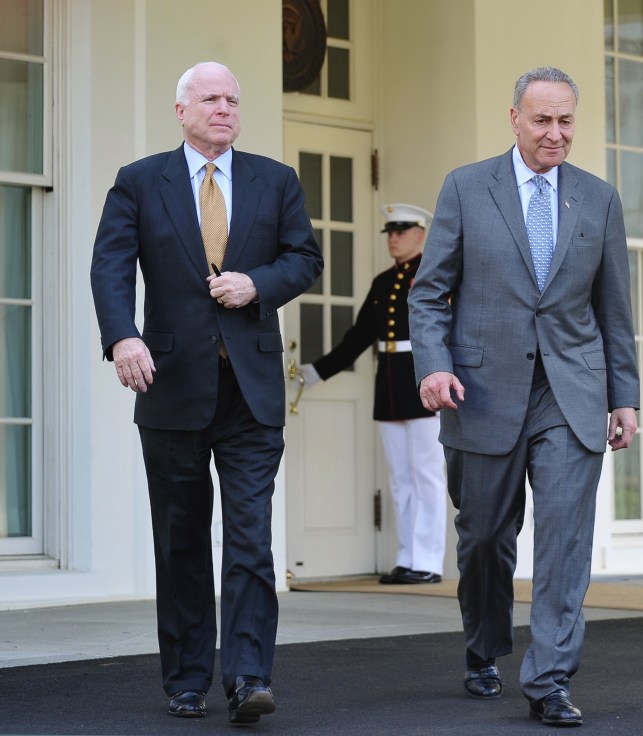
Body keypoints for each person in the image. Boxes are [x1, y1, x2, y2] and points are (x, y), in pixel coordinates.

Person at [90, 61, 323, 724]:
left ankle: (249, 676)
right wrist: (121, 338)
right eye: (211, 99)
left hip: (250, 392)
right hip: (169, 387)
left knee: (250, 539)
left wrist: (259, 285)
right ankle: (187, 677)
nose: (224, 109)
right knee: (182, 539)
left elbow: (305, 258)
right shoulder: (140, 182)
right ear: (181, 110)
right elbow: (109, 264)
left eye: (232, 99)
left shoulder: (274, 181)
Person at [408, 66, 639, 728]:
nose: (555, 133)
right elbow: (429, 292)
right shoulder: (465, 187)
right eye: (542, 120)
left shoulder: (599, 200)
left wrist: (624, 395)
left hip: (570, 391)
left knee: (566, 537)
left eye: (566, 120)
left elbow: (614, 309)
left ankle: (550, 679)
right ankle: (483, 648)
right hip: (480, 390)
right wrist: (433, 365)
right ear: (514, 119)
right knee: (484, 535)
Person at [299, 203, 447, 585]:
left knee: (426, 476)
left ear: (420, 234)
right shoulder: (384, 282)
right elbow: (361, 335)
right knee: (400, 478)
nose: (394, 238)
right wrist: (317, 372)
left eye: (401, 231)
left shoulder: (437, 275)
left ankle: (428, 562)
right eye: (390, 233)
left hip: (425, 383)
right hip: (391, 387)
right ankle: (406, 558)